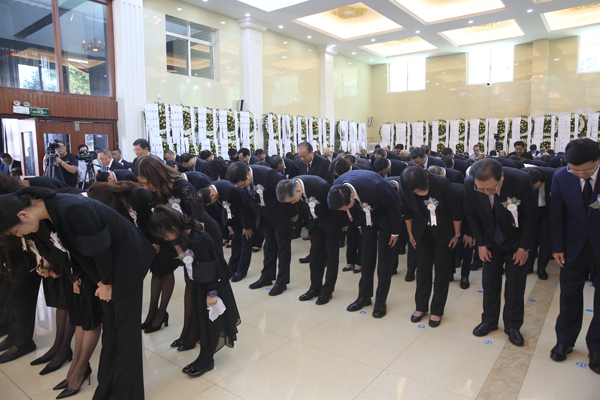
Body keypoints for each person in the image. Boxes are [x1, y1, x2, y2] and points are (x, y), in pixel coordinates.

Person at [0, 186, 153, 399]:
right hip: (109, 267)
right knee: (111, 330)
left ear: (23, 215)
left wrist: (107, 283)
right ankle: (107, 389)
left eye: (15, 232)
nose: (20, 235)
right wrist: (98, 281)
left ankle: (127, 394)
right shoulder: (52, 212)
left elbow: (101, 250)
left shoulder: (70, 208)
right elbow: (80, 253)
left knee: (125, 333)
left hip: (127, 262)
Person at [149, 205, 240, 377]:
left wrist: (211, 293)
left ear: (174, 228)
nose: (166, 239)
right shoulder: (186, 235)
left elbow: (208, 265)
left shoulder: (197, 239)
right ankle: (204, 355)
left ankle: (207, 359)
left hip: (212, 285)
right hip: (202, 282)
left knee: (211, 322)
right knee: (203, 320)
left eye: (166, 236)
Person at [135, 155, 208, 353]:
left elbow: (199, 222)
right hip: (175, 237)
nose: (145, 187)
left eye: (146, 183)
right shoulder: (156, 189)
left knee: (194, 283)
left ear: (156, 175)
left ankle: (192, 333)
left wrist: (184, 247)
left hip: (196, 237)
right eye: (142, 184)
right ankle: (184, 329)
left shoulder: (183, 187)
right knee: (170, 273)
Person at [464, 159, 537, 347]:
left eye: (491, 189)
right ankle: (489, 320)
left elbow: (530, 216)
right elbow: (472, 215)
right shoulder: (470, 183)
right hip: (489, 241)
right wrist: (480, 244)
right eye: (481, 189)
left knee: (515, 284)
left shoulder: (521, 181)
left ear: (501, 178)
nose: (486, 192)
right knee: (489, 282)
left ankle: (512, 325)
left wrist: (524, 247)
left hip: (516, 240)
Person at [549, 138, 600, 374]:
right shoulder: (561, 176)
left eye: (586, 170)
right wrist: (557, 247)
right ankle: (564, 341)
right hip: (572, 247)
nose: (580, 175)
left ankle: (596, 347)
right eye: (575, 170)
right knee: (569, 295)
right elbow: (557, 214)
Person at [328, 170, 400, 318]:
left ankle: (381, 301)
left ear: (351, 196)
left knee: (384, 258)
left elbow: (393, 206)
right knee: (366, 256)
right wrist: (360, 224)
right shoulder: (337, 187)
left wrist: (395, 232)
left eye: (345, 208)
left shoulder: (375, 186)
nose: (345, 211)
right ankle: (364, 296)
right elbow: (352, 209)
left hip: (384, 214)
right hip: (364, 216)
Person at [401, 167, 462, 327]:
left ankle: (437, 310)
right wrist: (410, 233)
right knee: (422, 270)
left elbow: (456, 211)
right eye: (414, 191)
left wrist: (456, 234)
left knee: (442, 271)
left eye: (418, 190)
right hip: (421, 233)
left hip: (444, 233)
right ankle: (421, 307)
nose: (416, 193)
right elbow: (407, 212)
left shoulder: (442, 184)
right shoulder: (407, 186)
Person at [227, 162, 298, 296]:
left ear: (248, 174)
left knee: (282, 249)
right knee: (268, 247)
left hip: (280, 216)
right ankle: (266, 276)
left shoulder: (269, 175)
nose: (242, 187)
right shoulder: (242, 182)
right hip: (264, 217)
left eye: (243, 184)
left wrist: (293, 214)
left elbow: (287, 194)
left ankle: (281, 282)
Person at [276, 176, 343, 305]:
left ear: (298, 191)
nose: (292, 203)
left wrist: (344, 224)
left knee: (331, 257)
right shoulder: (290, 186)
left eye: (292, 200)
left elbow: (336, 206)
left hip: (331, 222)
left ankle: (328, 290)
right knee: (315, 256)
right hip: (315, 223)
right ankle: (315, 287)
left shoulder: (321, 187)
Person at [198, 180, 257, 282]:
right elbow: (225, 208)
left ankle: (242, 271)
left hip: (247, 216)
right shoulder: (210, 188)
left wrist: (247, 227)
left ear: (212, 195)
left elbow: (243, 208)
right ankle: (232, 268)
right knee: (235, 241)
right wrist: (229, 223)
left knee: (246, 241)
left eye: (210, 202)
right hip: (234, 216)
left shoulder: (230, 190)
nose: (211, 204)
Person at [523, 166, 555, 280]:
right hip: (532, 211)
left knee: (545, 241)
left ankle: (542, 268)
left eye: (537, 186)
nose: (535, 189)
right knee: (532, 239)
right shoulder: (525, 175)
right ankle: (529, 266)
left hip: (548, 211)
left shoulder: (553, 176)